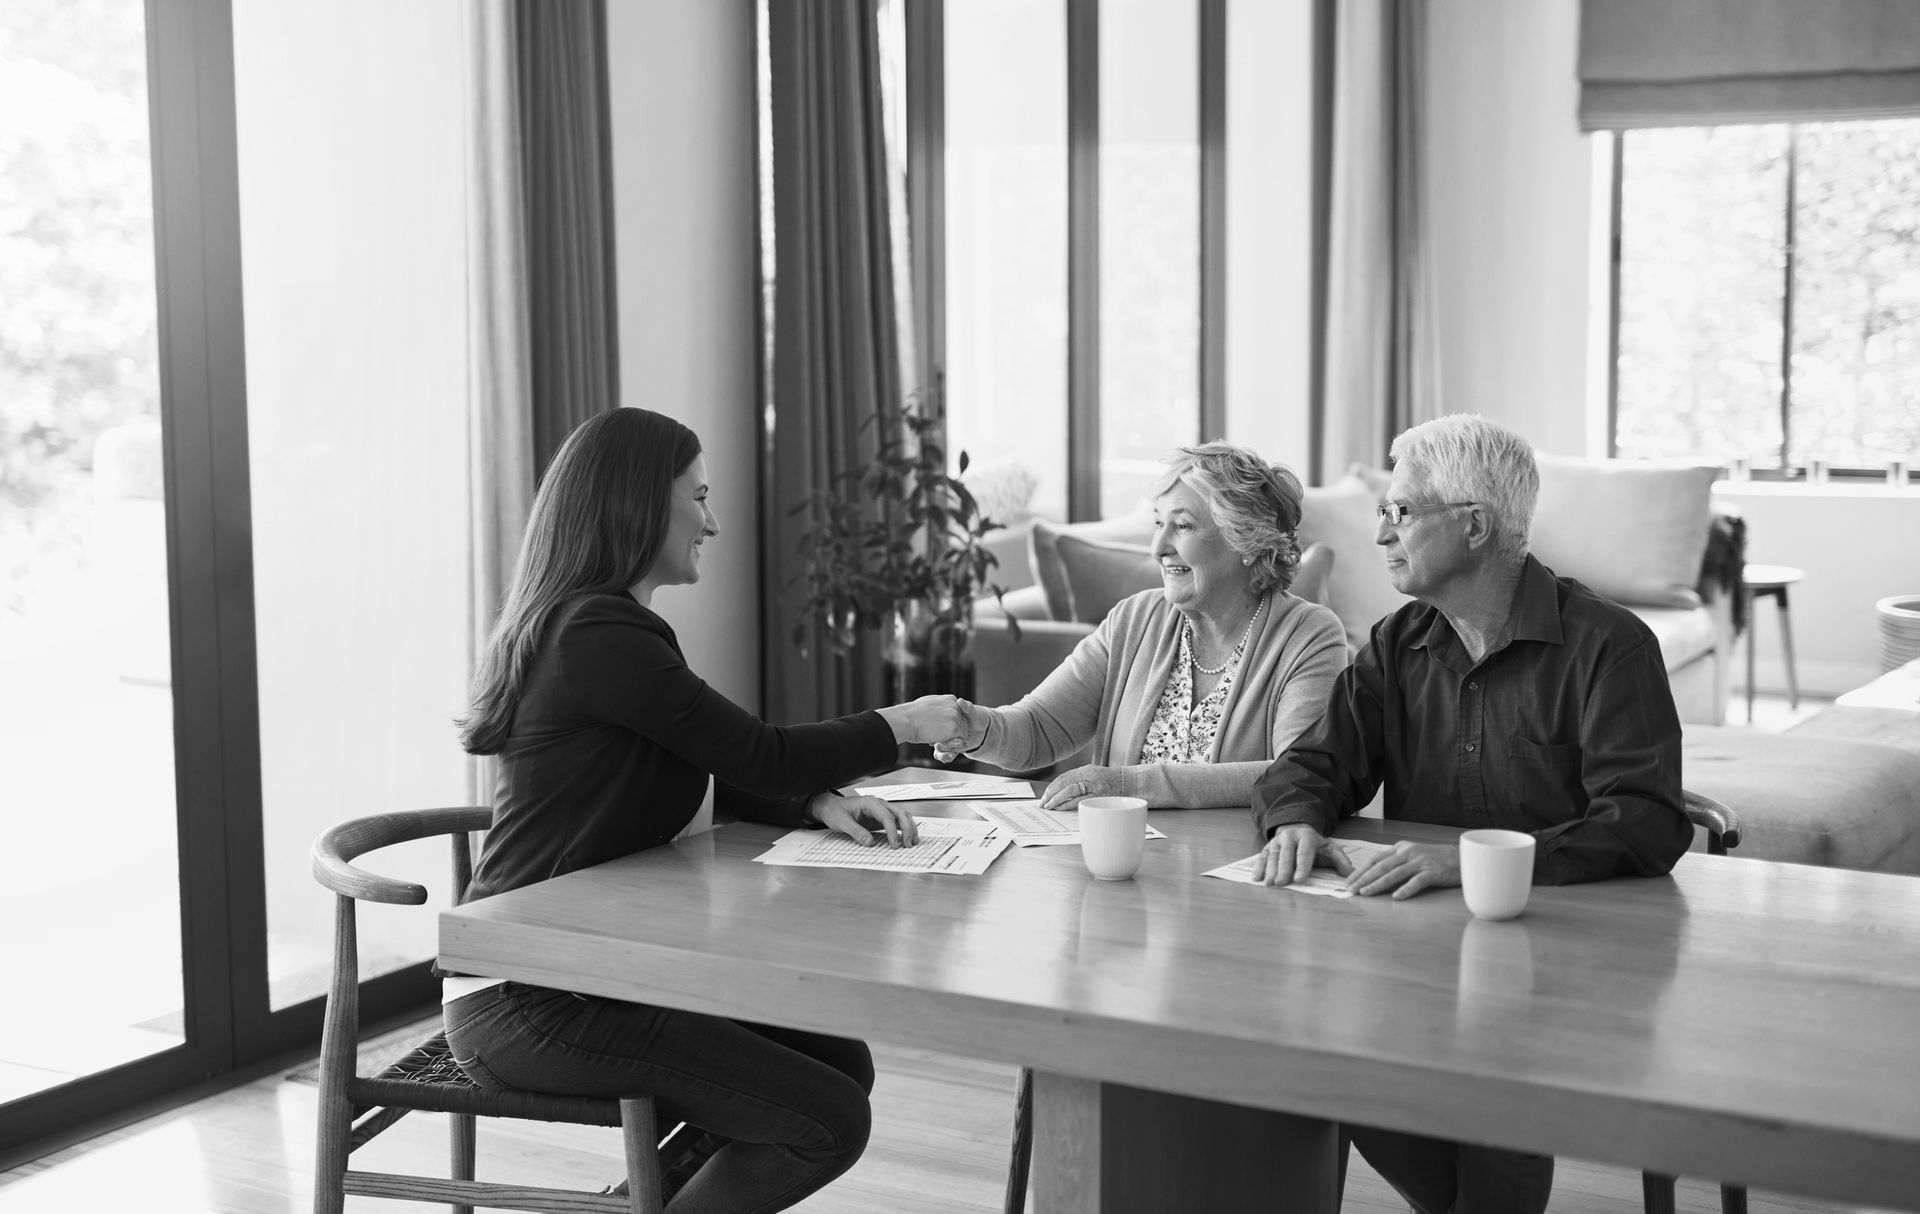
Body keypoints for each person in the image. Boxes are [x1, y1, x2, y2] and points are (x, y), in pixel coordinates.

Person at [444, 407, 970, 1213]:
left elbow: (711, 766)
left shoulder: (596, 625)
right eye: (699, 497)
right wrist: (901, 725)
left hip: (587, 976)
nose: (713, 522)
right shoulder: (599, 632)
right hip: (535, 996)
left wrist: (816, 799)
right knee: (824, 1117)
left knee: (840, 1065)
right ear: (637, 503)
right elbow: (759, 749)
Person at [1249, 413, 1693, 1214]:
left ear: (1476, 526)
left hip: (1569, 961)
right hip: (1426, 951)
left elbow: (1646, 820)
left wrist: (1476, 862)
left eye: (1402, 511)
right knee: (1317, 1051)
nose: (1381, 532)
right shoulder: (1395, 643)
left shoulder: (1610, 646)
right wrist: (1298, 819)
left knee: (1497, 1083)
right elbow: (1313, 764)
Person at [939, 441, 1349, 808]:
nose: (1158, 547)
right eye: (1158, 523)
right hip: (1126, 863)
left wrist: (1128, 784)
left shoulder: (1309, 635)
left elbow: (1298, 773)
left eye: (1183, 525)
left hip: (1235, 868)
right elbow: (1041, 728)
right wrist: (976, 728)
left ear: (1246, 542)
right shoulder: (1134, 620)